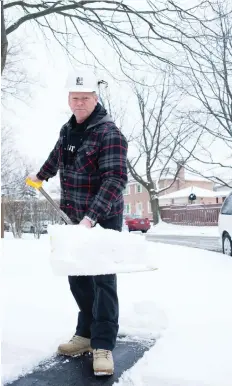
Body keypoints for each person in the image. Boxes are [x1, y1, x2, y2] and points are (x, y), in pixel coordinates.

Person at [28, 70, 128, 376]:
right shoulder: (67, 130)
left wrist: (91, 218)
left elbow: (115, 180)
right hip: (72, 217)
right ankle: (85, 334)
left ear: (95, 99)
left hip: (102, 219)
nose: (79, 102)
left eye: (85, 97)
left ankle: (103, 345)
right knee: (78, 277)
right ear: (69, 99)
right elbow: (57, 156)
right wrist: (41, 175)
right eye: (75, 97)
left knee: (102, 281)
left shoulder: (109, 133)